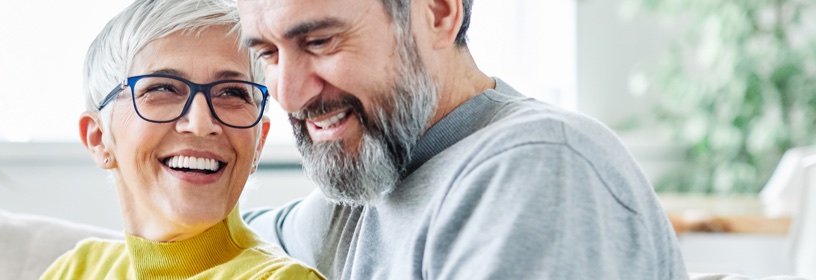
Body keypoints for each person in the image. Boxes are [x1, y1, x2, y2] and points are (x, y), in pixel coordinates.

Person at [235, 0, 688, 279]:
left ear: (438, 13)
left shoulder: (538, 169)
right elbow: (202, 245)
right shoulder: (364, 188)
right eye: (268, 54)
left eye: (320, 41)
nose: (288, 95)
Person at [40, 0, 323, 279]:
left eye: (231, 93)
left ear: (258, 143)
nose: (200, 124)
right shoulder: (76, 269)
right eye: (163, 89)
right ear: (99, 138)